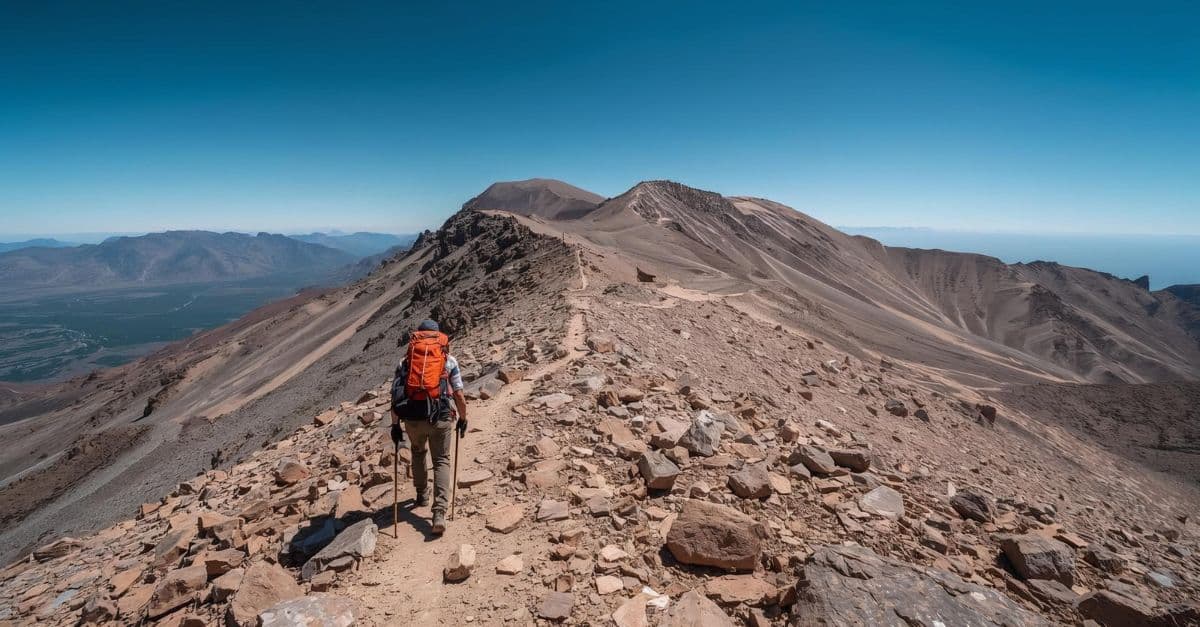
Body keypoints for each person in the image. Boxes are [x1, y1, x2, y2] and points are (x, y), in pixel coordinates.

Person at [389, 319, 468, 535]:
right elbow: (459, 393)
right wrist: (463, 418)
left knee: (417, 452)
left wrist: (395, 426)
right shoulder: (448, 360)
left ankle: (421, 495)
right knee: (441, 460)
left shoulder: (405, 362)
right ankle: (439, 513)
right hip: (441, 417)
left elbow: (395, 395)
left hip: (413, 419)